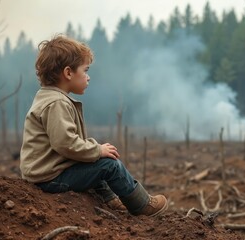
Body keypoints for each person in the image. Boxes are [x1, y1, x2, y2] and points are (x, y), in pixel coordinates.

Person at [20, 35, 168, 217]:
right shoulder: (56, 103)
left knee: (94, 161)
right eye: (85, 70)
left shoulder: (49, 98)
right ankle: (142, 205)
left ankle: (110, 200)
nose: (88, 77)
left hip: (47, 174)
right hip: (50, 179)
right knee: (110, 165)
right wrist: (97, 150)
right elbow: (65, 143)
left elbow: (66, 143)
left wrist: (93, 150)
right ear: (68, 73)